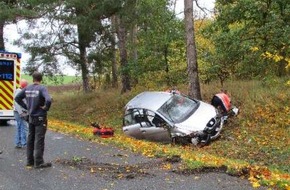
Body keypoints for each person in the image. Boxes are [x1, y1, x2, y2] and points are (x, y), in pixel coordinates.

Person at [15, 72, 52, 168]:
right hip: (40, 117)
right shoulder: (42, 88)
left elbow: (17, 98)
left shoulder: (27, 88)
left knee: (30, 138)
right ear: (41, 79)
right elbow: (48, 99)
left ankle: (29, 161)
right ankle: (39, 162)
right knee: (39, 139)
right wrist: (46, 108)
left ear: (33, 79)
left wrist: (26, 107)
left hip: (31, 117)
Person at [14, 79, 29, 149]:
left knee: (20, 127)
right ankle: (23, 143)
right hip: (19, 112)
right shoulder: (19, 91)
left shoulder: (20, 91)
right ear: (25, 85)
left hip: (19, 112)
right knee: (23, 127)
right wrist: (21, 113)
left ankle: (19, 143)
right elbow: (16, 103)